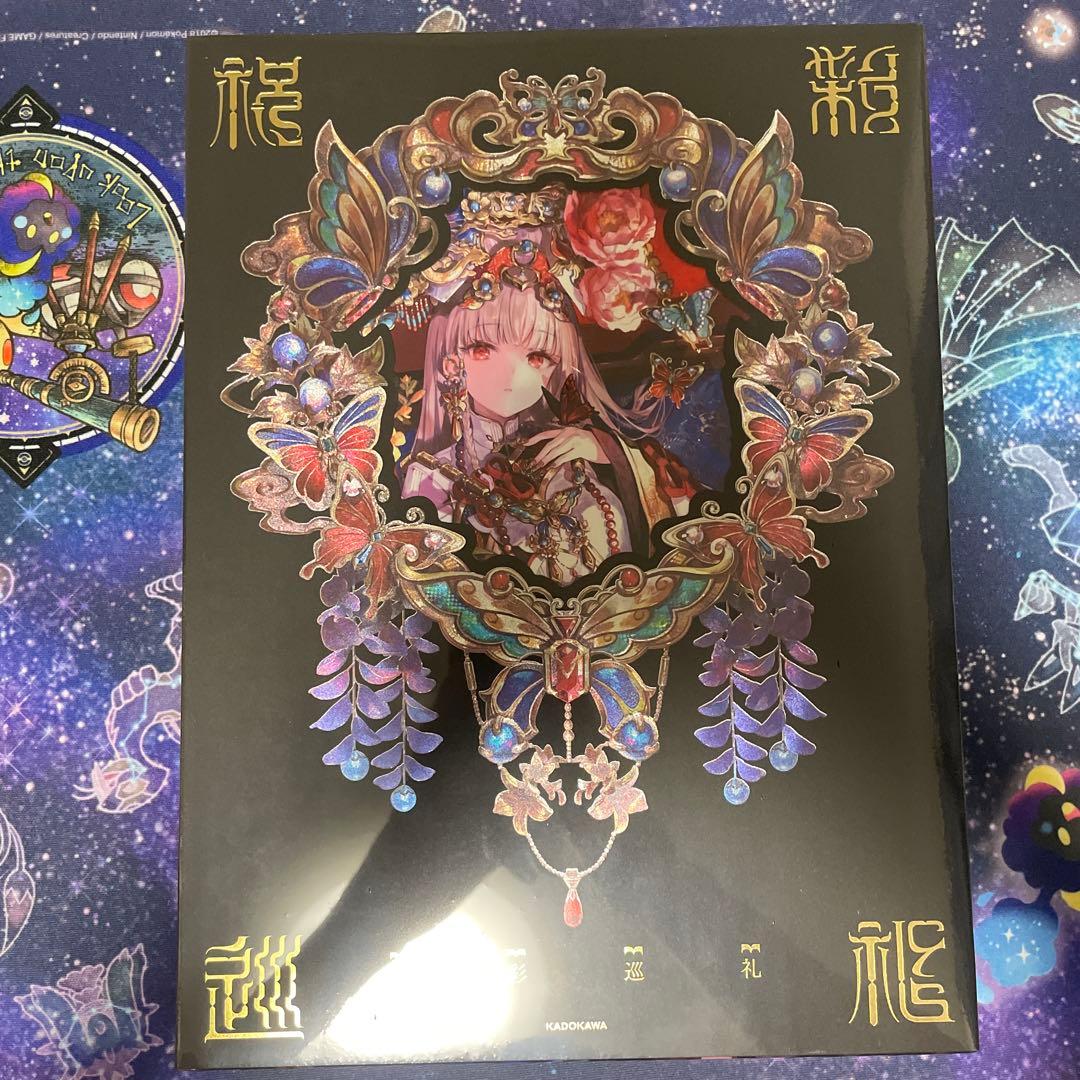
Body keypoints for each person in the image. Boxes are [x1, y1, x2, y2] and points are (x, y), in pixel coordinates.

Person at [401, 277, 696, 584]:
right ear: (450, 363)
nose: (513, 373)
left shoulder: (578, 453)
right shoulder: (432, 473)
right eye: (482, 349)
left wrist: (606, 451)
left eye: (536, 357)